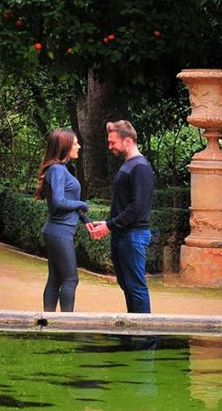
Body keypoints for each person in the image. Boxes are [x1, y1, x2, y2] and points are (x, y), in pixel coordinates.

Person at [89, 120, 154, 313]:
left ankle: (144, 330)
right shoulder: (129, 165)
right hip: (123, 234)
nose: (110, 147)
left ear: (127, 141)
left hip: (133, 235)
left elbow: (138, 207)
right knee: (127, 285)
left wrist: (109, 226)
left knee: (136, 287)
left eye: (112, 142)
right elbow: (126, 203)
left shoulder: (140, 167)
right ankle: (133, 326)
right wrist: (108, 223)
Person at [36, 128, 89, 312]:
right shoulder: (57, 169)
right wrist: (81, 203)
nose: (78, 147)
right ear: (64, 146)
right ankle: (67, 322)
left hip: (57, 231)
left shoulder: (61, 169)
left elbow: (67, 201)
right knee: (71, 280)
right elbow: (59, 202)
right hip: (60, 232)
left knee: (56, 279)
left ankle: (48, 320)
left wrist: (85, 219)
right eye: (75, 143)